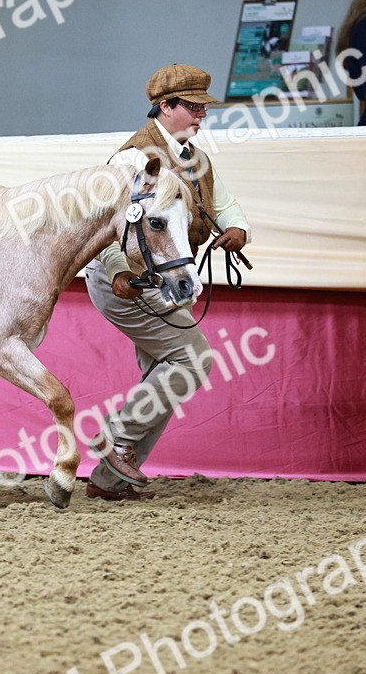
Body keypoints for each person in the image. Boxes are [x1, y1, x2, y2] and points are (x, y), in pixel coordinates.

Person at [85, 65, 251, 501]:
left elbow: (223, 202)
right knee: (193, 361)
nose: (202, 115)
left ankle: (111, 478)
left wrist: (236, 228)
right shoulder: (131, 159)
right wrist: (119, 271)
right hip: (129, 281)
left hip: (163, 279)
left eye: (203, 107)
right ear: (166, 107)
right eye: (194, 107)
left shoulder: (195, 158)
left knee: (164, 374)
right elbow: (104, 224)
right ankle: (114, 440)